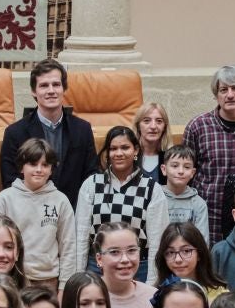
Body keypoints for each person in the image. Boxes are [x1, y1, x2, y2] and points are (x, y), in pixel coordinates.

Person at [0, 59, 96, 207]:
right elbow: (10, 181)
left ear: (64, 88)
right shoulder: (14, 133)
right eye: (44, 85)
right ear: (33, 91)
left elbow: (91, 176)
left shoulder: (82, 129)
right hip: (30, 213)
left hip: (73, 209)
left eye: (56, 84)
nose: (51, 90)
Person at [184, 66, 235, 243]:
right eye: (223, 90)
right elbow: (186, 176)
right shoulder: (197, 127)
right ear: (216, 95)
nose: (230, 95)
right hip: (209, 219)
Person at [0, 139, 76, 292]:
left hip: (48, 281)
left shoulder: (61, 200)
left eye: (45, 165)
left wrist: (64, 287)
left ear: (51, 170)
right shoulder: (5, 199)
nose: (39, 169)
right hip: (12, 279)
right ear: (21, 167)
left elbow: (68, 247)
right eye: (33, 164)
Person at [74, 125, 157, 276]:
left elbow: (157, 242)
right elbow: (81, 236)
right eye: (113, 148)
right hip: (97, 267)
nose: (119, 153)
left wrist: (152, 282)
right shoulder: (91, 184)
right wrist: (79, 275)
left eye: (125, 147)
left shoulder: (151, 188)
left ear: (136, 150)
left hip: (138, 268)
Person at [143, 146, 209, 278]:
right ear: (163, 169)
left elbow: (202, 242)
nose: (180, 171)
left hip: (186, 265)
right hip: (157, 263)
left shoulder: (198, 204)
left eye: (186, 167)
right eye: (174, 165)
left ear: (193, 172)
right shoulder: (153, 198)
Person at [94, 224, 152, 308]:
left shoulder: (153, 297)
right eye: (114, 252)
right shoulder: (85, 298)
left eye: (131, 250)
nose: (125, 259)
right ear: (99, 259)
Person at [155, 220, 227, 297]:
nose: (178, 259)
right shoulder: (156, 294)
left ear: (199, 254)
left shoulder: (220, 295)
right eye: (171, 252)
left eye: (186, 251)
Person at [134, 102, 171, 181]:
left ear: (164, 127)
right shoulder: (129, 156)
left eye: (159, 121)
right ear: (138, 126)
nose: (153, 126)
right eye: (147, 121)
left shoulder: (170, 158)